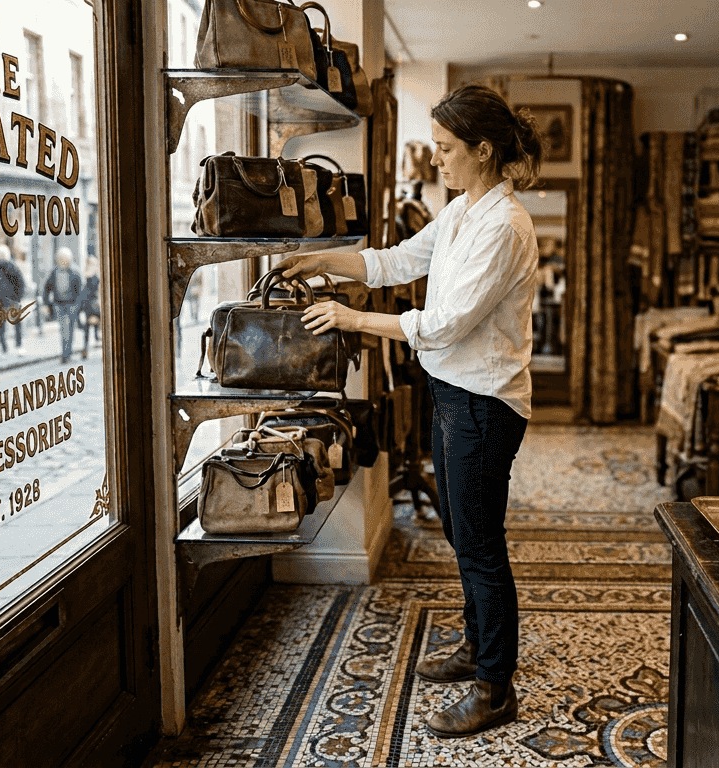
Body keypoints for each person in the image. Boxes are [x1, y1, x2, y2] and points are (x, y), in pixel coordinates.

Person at [281, 84, 543, 740]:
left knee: (480, 545)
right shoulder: (460, 212)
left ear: (483, 151)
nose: (438, 160)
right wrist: (317, 259)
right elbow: (393, 262)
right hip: (454, 396)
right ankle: (478, 649)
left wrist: (350, 318)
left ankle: (494, 687)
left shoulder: (505, 226)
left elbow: (449, 324)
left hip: (485, 405)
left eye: (448, 149)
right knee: (463, 535)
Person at [0, 244, 27, 355]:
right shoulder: (12, 267)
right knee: (17, 324)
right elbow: (21, 284)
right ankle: (18, 346)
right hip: (12, 300)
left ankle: (3, 348)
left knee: (1, 325)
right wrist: (18, 297)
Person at [43, 248, 83, 363]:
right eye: (60, 259)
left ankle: (67, 354)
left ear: (70, 259)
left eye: (64, 259)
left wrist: (78, 306)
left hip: (72, 304)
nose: (62, 261)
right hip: (58, 304)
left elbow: (80, 291)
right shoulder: (54, 271)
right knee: (63, 329)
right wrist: (46, 304)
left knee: (69, 329)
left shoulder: (75, 272)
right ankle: (65, 355)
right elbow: (47, 288)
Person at [78, 255, 102, 360]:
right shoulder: (91, 276)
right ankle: (85, 350)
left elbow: (88, 293)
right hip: (91, 305)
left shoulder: (91, 277)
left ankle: (85, 350)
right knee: (89, 330)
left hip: (91, 306)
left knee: (90, 330)